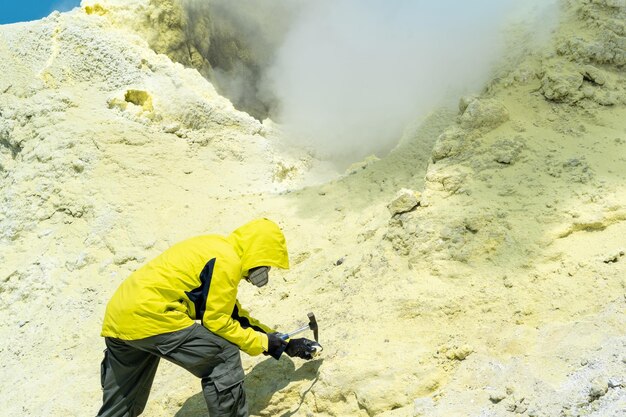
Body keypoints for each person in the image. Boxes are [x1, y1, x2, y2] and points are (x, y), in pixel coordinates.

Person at [96, 218, 319, 417]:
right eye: (267, 263)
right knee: (223, 355)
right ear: (258, 252)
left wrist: (283, 344)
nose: (266, 270)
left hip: (119, 318)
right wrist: (263, 342)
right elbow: (217, 321)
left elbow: (234, 315)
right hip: (154, 316)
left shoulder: (218, 248)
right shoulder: (227, 261)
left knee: (122, 405)